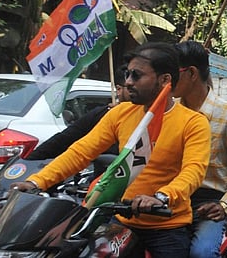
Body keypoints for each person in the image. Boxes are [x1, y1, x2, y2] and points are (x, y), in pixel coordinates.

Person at [12, 42, 211, 257]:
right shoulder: (120, 113)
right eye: (127, 74)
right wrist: (36, 181)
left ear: (165, 80)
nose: (127, 82)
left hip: (165, 226)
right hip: (118, 220)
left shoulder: (193, 122)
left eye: (136, 76)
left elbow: (193, 171)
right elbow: (81, 152)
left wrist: (161, 197)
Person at [174, 40, 227, 258]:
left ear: (191, 73)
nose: (167, 78)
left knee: (202, 253)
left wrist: (224, 205)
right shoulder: (168, 114)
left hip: (209, 201)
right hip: (171, 199)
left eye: (172, 71)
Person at [27, 71, 130, 160]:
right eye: (129, 84)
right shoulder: (101, 114)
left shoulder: (144, 117)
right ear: (119, 89)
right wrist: (28, 162)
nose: (133, 84)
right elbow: (66, 142)